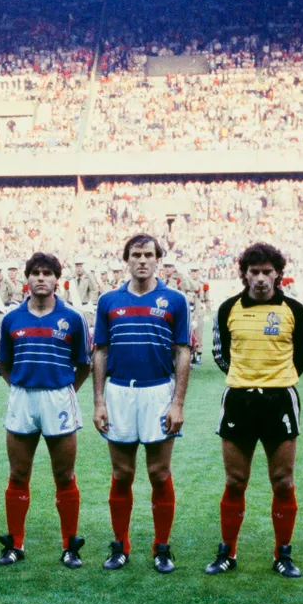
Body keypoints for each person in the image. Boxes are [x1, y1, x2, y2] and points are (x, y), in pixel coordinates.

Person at [206, 243, 303, 578]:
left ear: (278, 274)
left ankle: (283, 553)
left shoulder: (294, 308)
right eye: (255, 272)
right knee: (236, 481)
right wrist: (247, 378)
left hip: (280, 399)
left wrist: (275, 379)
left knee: (282, 481)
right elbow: (220, 353)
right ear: (245, 275)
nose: (262, 279)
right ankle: (228, 552)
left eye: (268, 272)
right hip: (239, 399)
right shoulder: (228, 309)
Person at [92, 234, 191, 573]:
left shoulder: (175, 300)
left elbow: (183, 352)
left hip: (158, 392)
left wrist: (177, 403)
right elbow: (100, 351)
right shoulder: (108, 301)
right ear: (127, 259)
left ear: (158, 260)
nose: (142, 261)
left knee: (159, 473)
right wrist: (99, 401)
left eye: (149, 254)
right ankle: (120, 545)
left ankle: (162, 547)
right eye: (136, 254)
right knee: (122, 473)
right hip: (119, 391)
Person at [0, 252, 91, 568]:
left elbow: (83, 365)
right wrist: (22, 386)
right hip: (23, 398)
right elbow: (4, 364)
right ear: (26, 278)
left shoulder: (72, 319)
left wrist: (62, 390)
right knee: (18, 474)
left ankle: (70, 546)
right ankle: (15, 545)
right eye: (35, 272)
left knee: (64, 475)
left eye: (47, 273)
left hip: (58, 398)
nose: (40, 278)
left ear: (56, 279)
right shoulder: (12, 319)